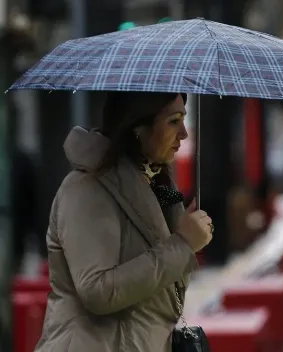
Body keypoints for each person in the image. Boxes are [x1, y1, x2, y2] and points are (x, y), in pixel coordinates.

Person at [35, 92, 214, 352]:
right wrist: (183, 244)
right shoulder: (86, 190)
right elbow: (98, 291)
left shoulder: (157, 187)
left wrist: (188, 233)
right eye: (174, 121)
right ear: (138, 127)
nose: (184, 134)